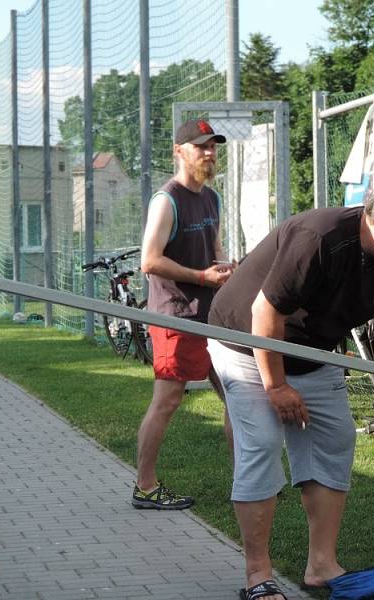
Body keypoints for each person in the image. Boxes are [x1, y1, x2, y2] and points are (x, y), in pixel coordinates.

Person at [208, 181, 374, 600]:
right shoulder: (320, 237)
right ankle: (259, 576)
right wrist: (276, 386)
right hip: (246, 344)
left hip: (315, 352)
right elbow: (265, 311)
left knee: (334, 440)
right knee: (263, 444)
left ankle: (321, 566)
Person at [132, 119, 235, 510]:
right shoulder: (167, 199)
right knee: (168, 401)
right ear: (179, 150)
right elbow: (149, 261)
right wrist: (201, 277)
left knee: (236, 396)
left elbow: (214, 247)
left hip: (213, 313)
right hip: (175, 316)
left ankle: (248, 479)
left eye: (213, 147)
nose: (209, 153)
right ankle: (144, 486)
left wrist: (226, 267)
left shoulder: (212, 197)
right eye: (201, 147)